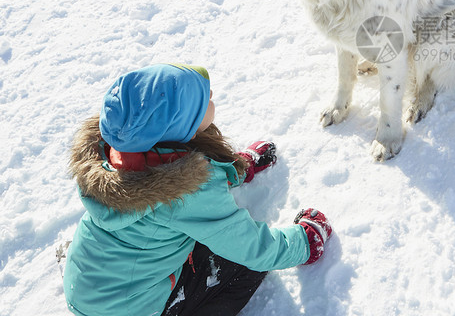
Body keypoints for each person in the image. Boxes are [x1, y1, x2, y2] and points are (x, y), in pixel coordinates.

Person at [62, 63, 332, 316]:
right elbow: (252, 248)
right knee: (242, 266)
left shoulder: (120, 150)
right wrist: (304, 243)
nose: (211, 95)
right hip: (129, 308)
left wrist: (234, 168)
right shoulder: (187, 192)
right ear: (182, 128)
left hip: (90, 285)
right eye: (203, 102)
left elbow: (178, 164)